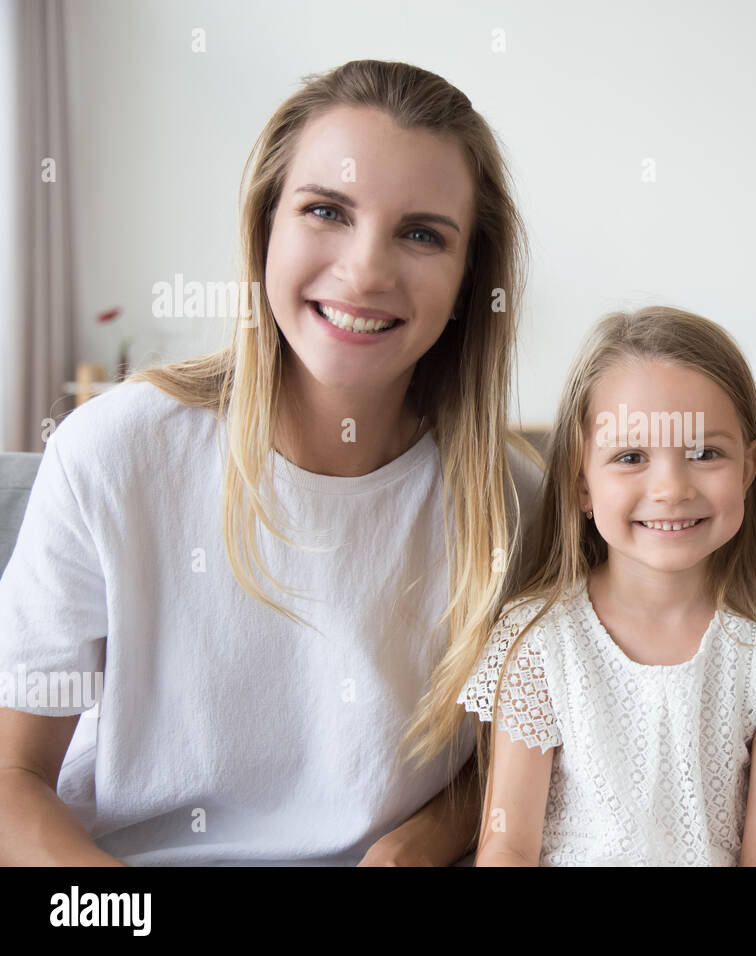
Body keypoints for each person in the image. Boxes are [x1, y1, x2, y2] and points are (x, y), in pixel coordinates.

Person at [0, 60, 541, 865]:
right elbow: (13, 781)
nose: (365, 271)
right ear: (265, 231)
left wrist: (418, 845)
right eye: (327, 211)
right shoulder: (113, 453)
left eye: (422, 233)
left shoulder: (513, 501)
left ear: (469, 282)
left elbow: (517, 756)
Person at [443, 307, 756, 865]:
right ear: (580, 482)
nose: (669, 488)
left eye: (704, 453)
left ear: (748, 469)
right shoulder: (539, 641)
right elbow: (507, 844)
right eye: (631, 456)